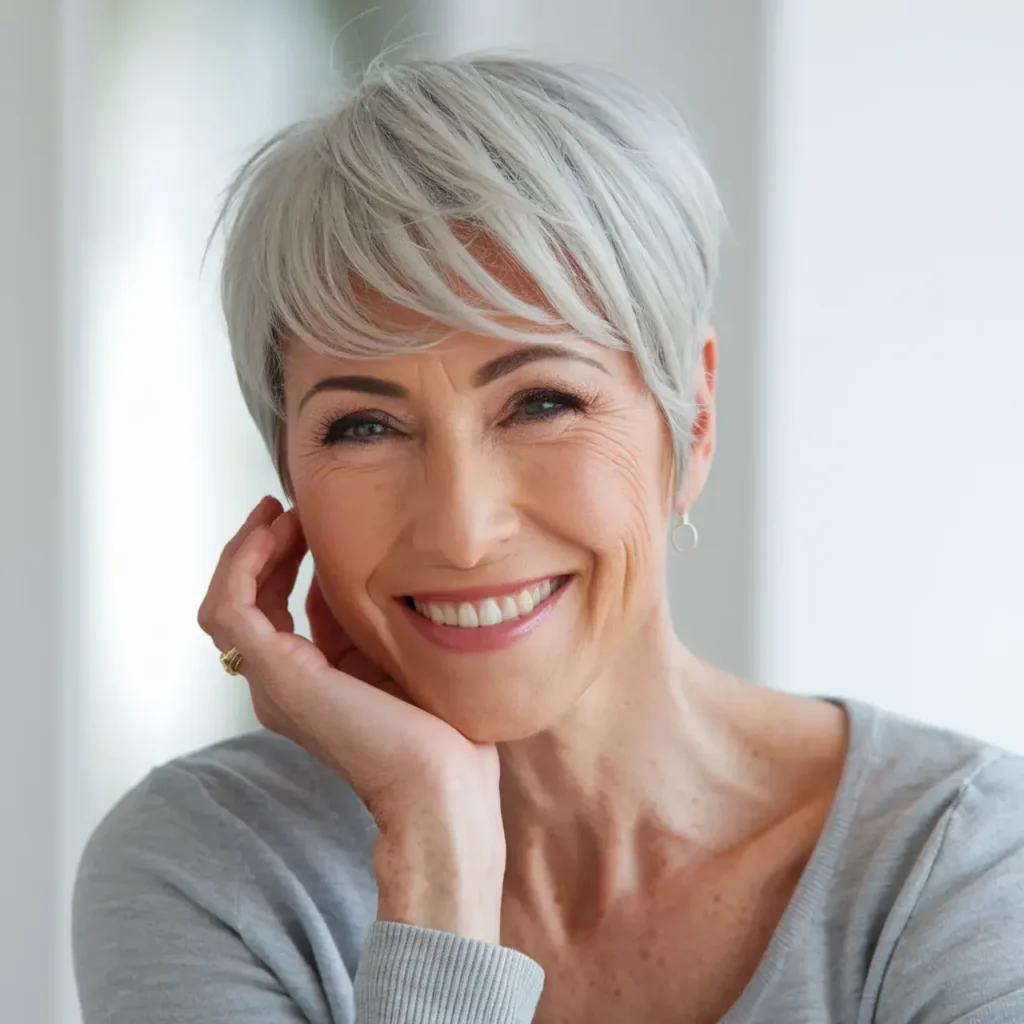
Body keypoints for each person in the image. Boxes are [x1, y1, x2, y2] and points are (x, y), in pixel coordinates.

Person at [72, 54, 1024, 1024]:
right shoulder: (214, 867)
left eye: (541, 402)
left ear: (691, 417)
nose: (463, 529)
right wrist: (435, 849)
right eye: (364, 425)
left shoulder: (966, 869)